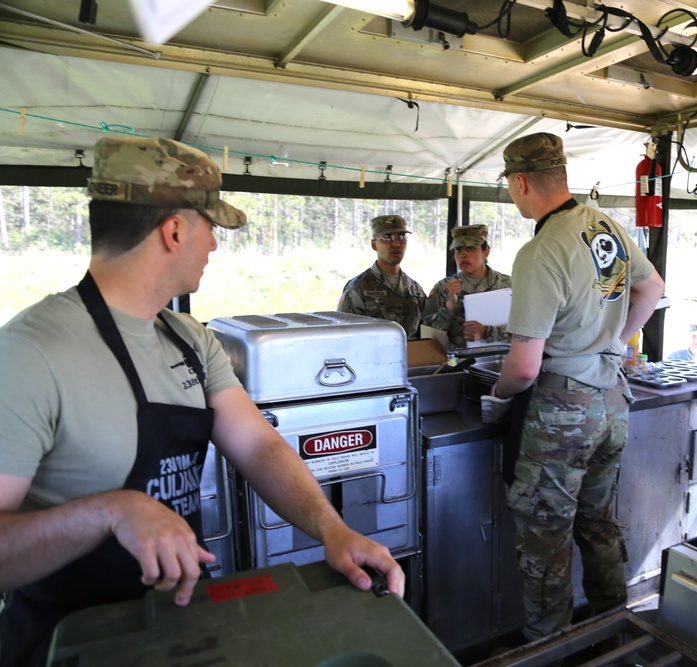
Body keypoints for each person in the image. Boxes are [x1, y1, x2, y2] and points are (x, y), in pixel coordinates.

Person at [0, 136, 404, 667]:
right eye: (210, 227)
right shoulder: (30, 353)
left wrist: (333, 529)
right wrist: (111, 512)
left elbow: (259, 446)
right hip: (71, 641)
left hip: (185, 625)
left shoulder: (190, 339)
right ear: (174, 230)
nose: (214, 244)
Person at [489, 132, 665, 642]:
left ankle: (550, 649)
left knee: (545, 541)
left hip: (563, 412)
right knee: (597, 523)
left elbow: (523, 367)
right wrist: (613, 341)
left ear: (520, 183)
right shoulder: (604, 225)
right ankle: (617, 632)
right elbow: (652, 288)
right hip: (612, 401)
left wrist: (497, 397)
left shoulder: (541, 250)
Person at [422, 224, 511, 349]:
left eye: (470, 248)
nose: (463, 254)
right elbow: (427, 337)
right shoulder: (443, 288)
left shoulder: (507, 286)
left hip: (497, 361)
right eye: (458, 249)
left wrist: (487, 332)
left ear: (485, 252)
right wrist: (448, 306)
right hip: (456, 364)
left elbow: (526, 331)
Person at [337, 215, 426, 340]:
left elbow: (426, 333)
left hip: (411, 358)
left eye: (401, 237)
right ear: (374, 245)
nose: (396, 243)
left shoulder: (415, 290)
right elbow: (345, 334)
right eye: (387, 237)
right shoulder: (357, 288)